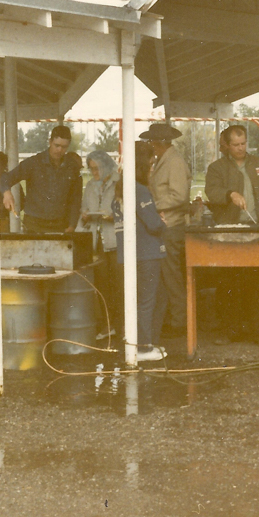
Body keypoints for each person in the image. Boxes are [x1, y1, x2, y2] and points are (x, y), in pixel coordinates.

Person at [205, 125, 259, 347]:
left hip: (258, 230)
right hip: (230, 232)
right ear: (226, 145)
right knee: (229, 283)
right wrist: (229, 194)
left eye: (243, 143)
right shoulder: (216, 168)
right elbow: (211, 192)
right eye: (235, 145)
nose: (241, 148)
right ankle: (229, 330)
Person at [112, 141, 167, 362]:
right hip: (147, 253)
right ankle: (144, 348)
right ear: (143, 164)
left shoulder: (120, 189)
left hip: (128, 254)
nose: (152, 168)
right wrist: (163, 222)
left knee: (142, 299)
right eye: (151, 163)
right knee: (149, 300)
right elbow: (153, 224)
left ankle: (138, 343)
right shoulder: (140, 190)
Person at [140, 123, 192, 338]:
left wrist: (154, 206)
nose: (150, 145)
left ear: (158, 142)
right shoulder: (165, 160)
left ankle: (180, 320)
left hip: (171, 226)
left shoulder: (175, 162)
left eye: (151, 141)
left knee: (171, 275)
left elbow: (179, 196)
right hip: (165, 225)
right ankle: (175, 317)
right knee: (166, 274)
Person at [1, 125, 81, 233]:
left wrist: (72, 225)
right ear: (50, 142)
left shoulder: (72, 167)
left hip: (60, 225)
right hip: (33, 226)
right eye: (56, 145)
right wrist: (6, 192)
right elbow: (6, 178)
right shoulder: (34, 163)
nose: (59, 150)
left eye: (64, 147)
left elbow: (75, 200)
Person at [81, 149, 121, 339]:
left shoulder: (118, 182)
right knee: (102, 286)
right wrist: (85, 214)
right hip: (97, 241)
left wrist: (114, 216)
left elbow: (126, 209)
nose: (95, 173)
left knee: (119, 285)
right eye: (91, 169)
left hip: (114, 240)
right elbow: (84, 208)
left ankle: (123, 326)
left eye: (97, 168)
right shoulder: (90, 185)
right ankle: (108, 325)